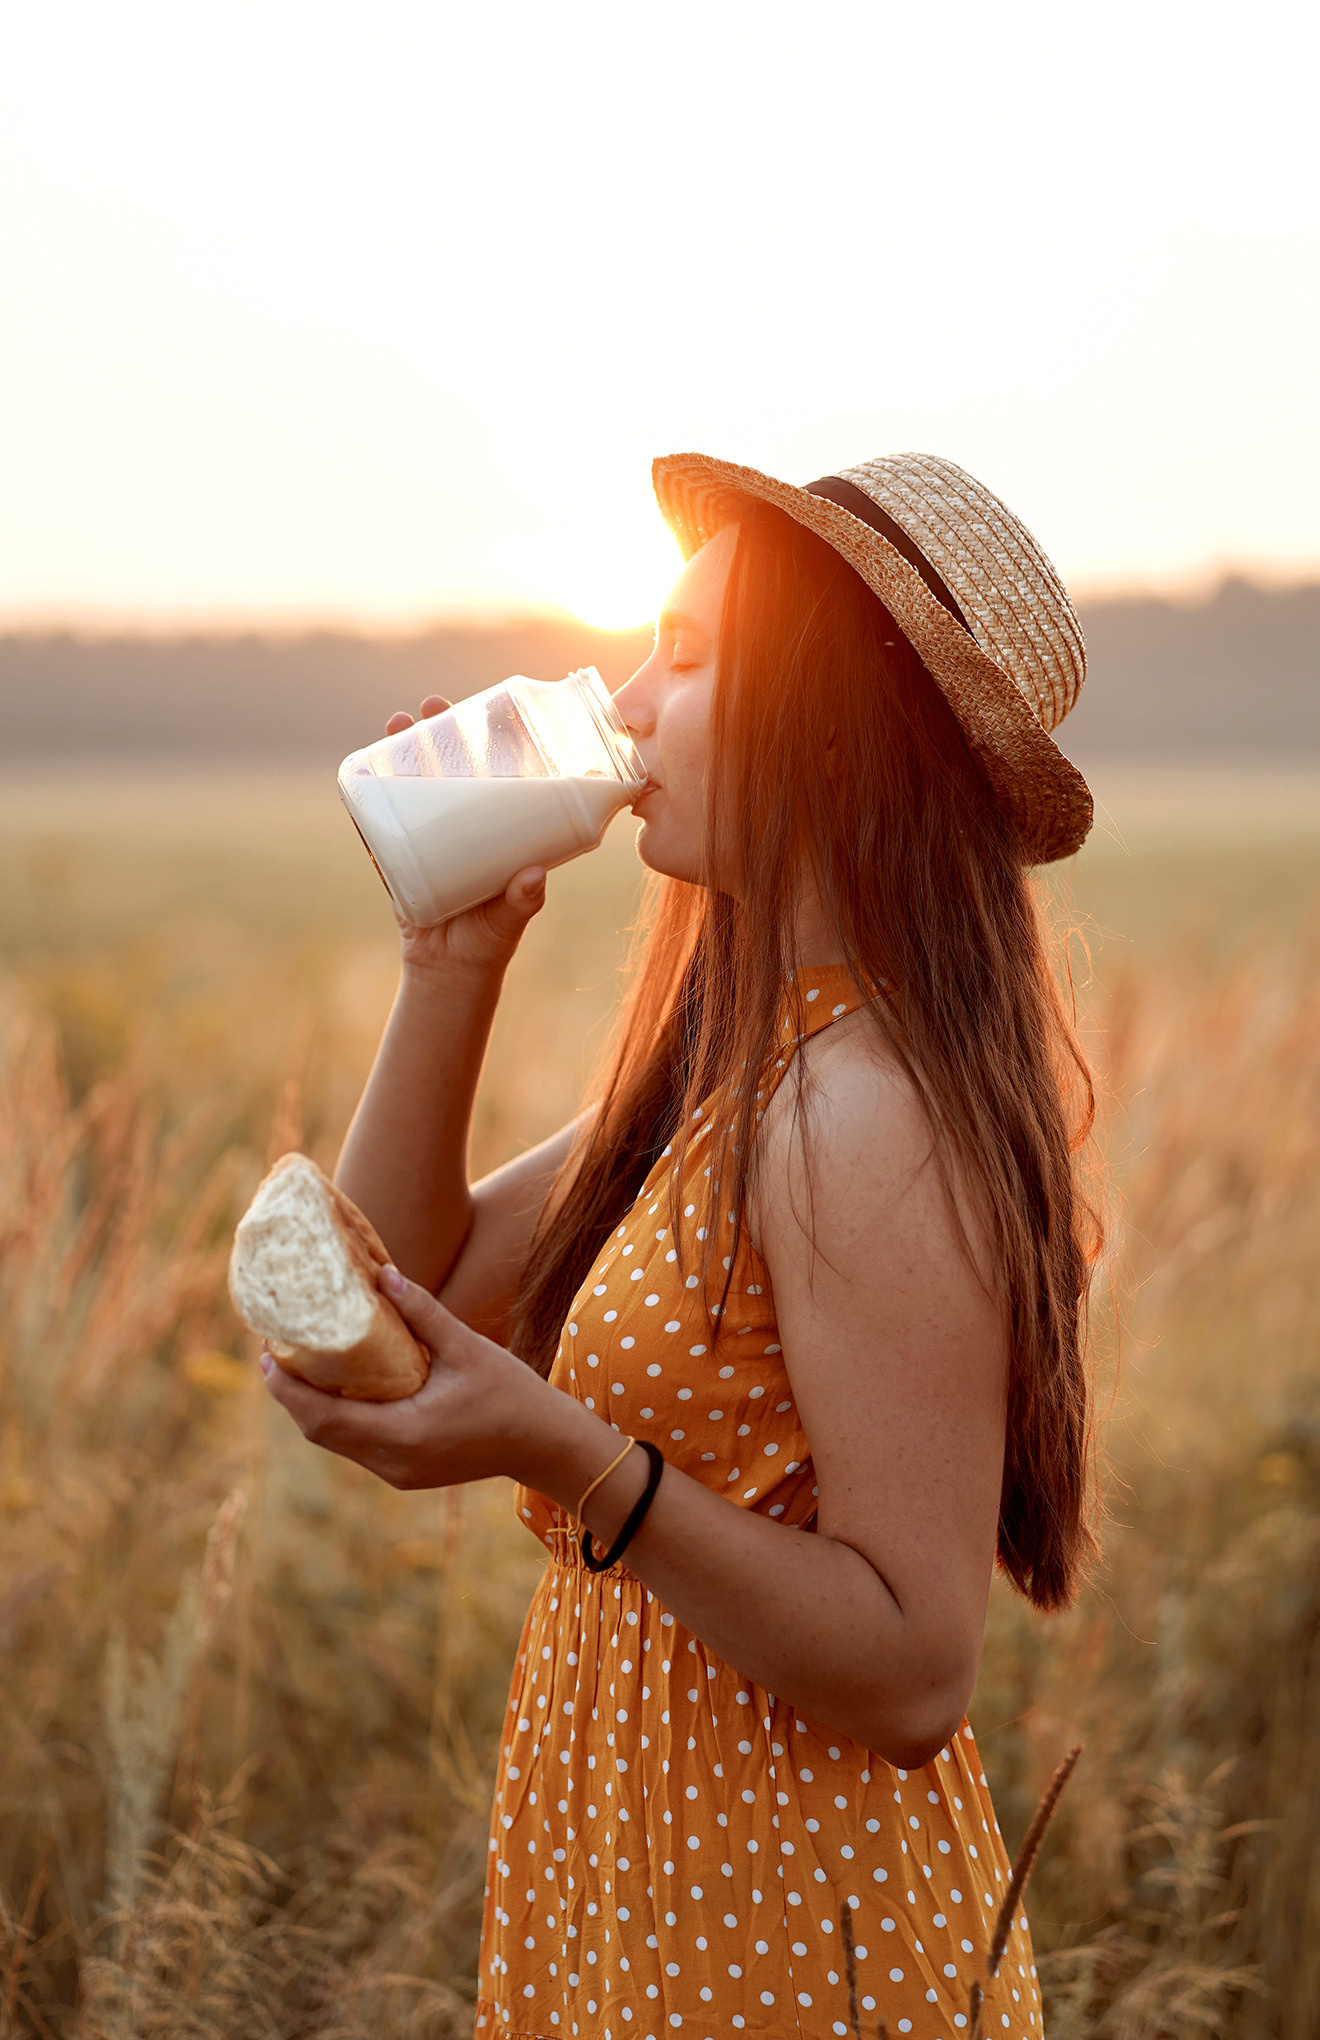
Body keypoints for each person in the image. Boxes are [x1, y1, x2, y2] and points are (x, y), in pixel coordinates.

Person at [262, 450, 1101, 2040]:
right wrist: (451, 964)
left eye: (691, 659)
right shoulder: (743, 1068)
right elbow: (395, 1297)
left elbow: (916, 1670)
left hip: (784, 1931)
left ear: (833, 724)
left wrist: (560, 1451)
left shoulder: (867, 1115)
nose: (631, 705)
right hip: (646, 1880)